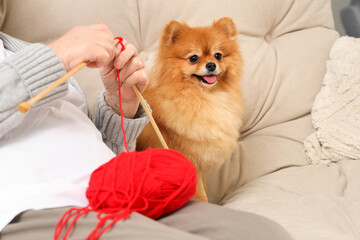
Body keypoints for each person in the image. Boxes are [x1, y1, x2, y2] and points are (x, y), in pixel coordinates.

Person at [0, 25, 293, 240]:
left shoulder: (19, 49)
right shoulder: (45, 55)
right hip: (34, 207)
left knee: (264, 233)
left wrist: (121, 104)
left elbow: (104, 155)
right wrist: (54, 57)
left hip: (124, 195)